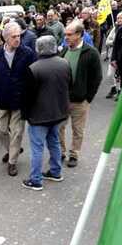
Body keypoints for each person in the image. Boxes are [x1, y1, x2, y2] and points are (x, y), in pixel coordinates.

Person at [21, 35, 71, 190]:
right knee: (54, 142)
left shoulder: (34, 68)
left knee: (37, 148)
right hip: (58, 113)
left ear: (38, 49)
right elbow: (70, 85)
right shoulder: (64, 63)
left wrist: (26, 115)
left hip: (39, 116)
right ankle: (56, 172)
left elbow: (27, 96)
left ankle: (36, 180)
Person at [0, 21, 36, 177]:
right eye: (14, 37)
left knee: (17, 132)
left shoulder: (27, 53)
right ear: (6, 38)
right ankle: (12, 150)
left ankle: (12, 162)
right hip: (2, 100)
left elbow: (34, 74)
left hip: (19, 100)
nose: (18, 39)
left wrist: (28, 94)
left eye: (19, 36)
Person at [58, 20, 103, 168]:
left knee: (78, 130)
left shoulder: (91, 53)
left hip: (80, 100)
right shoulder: (63, 51)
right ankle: (61, 152)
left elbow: (97, 77)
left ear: (79, 34)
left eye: (69, 34)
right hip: (63, 99)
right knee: (59, 127)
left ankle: (74, 154)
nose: (66, 37)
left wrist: (88, 97)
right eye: (65, 34)